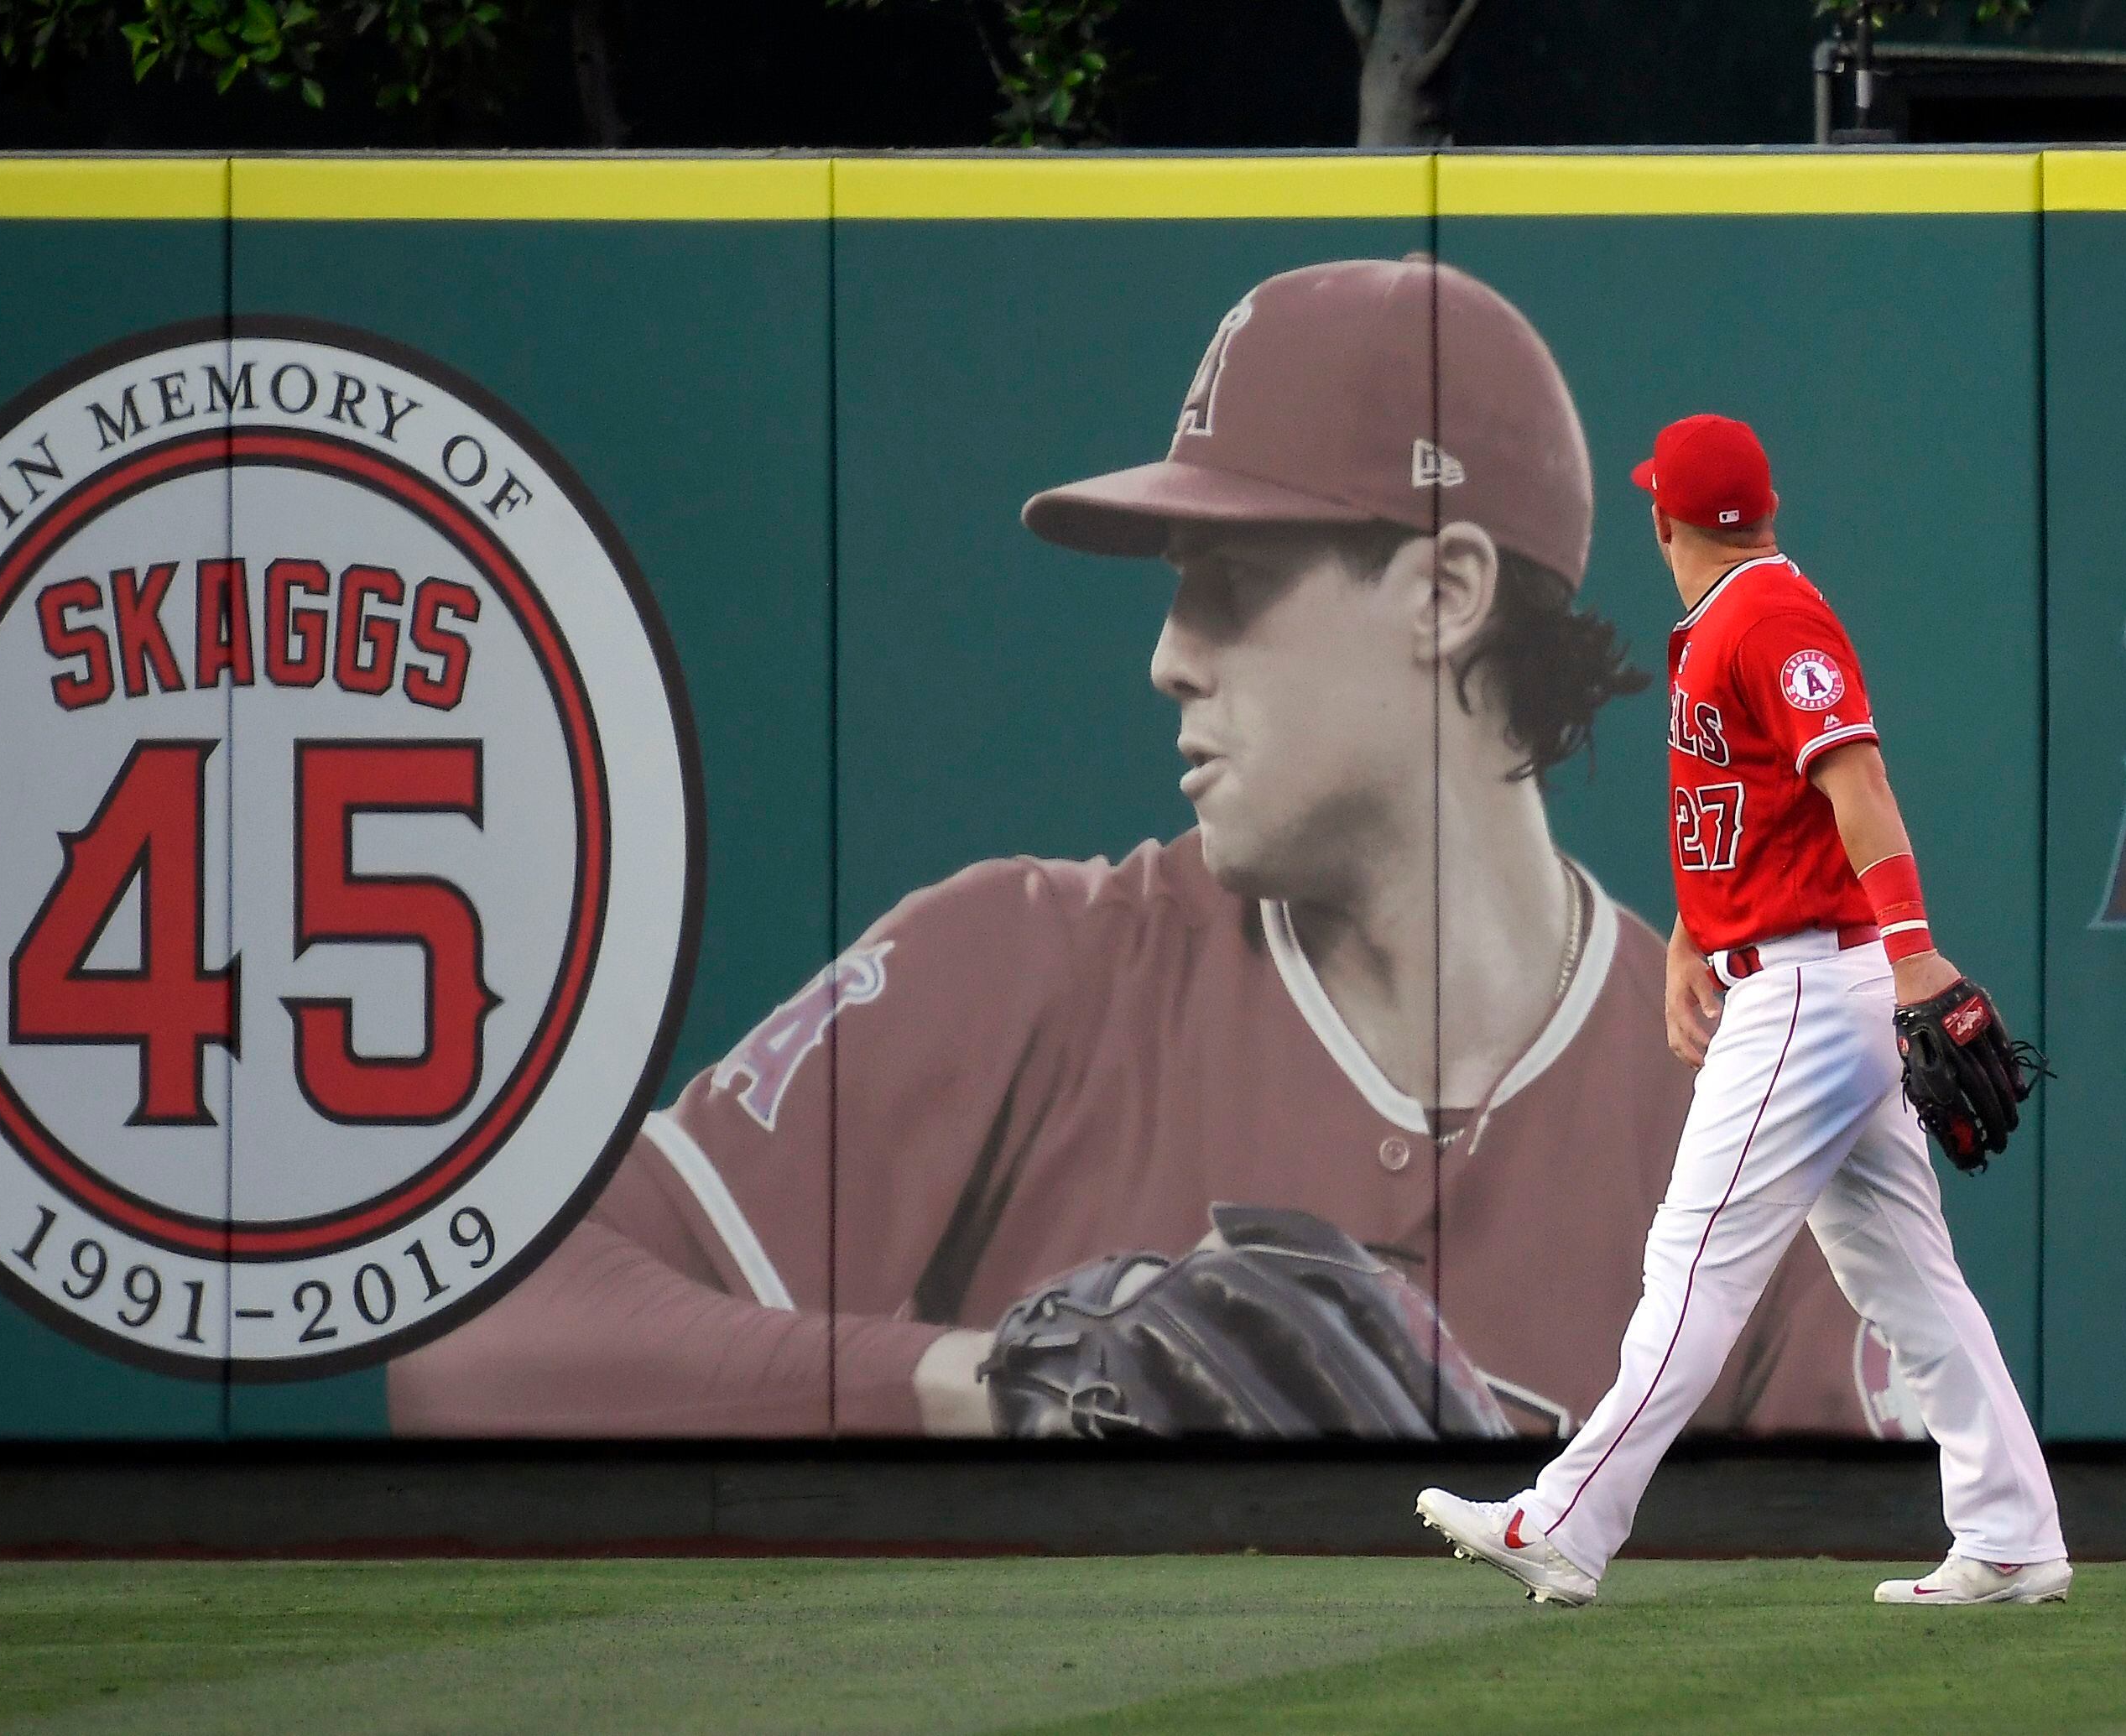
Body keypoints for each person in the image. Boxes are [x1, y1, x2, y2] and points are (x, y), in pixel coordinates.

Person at [387, 263, 1904, 1442]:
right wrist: (997, 1384)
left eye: (1228, 580)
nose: (1169, 660)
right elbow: (477, 1330)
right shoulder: (1019, 969)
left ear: (1441, 590)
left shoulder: (1743, 1097)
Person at [1417, 414, 2069, 1603]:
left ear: (1664, 518)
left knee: (1694, 1262)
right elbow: (1755, 802)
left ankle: (1561, 1518)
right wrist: (1691, 932)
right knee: (1907, 1280)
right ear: (1759, 508)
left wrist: (1918, 958)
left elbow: (1853, 783)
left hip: (1816, 995)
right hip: (1798, 970)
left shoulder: (1769, 616)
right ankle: (2013, 1532)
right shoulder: (1733, 618)